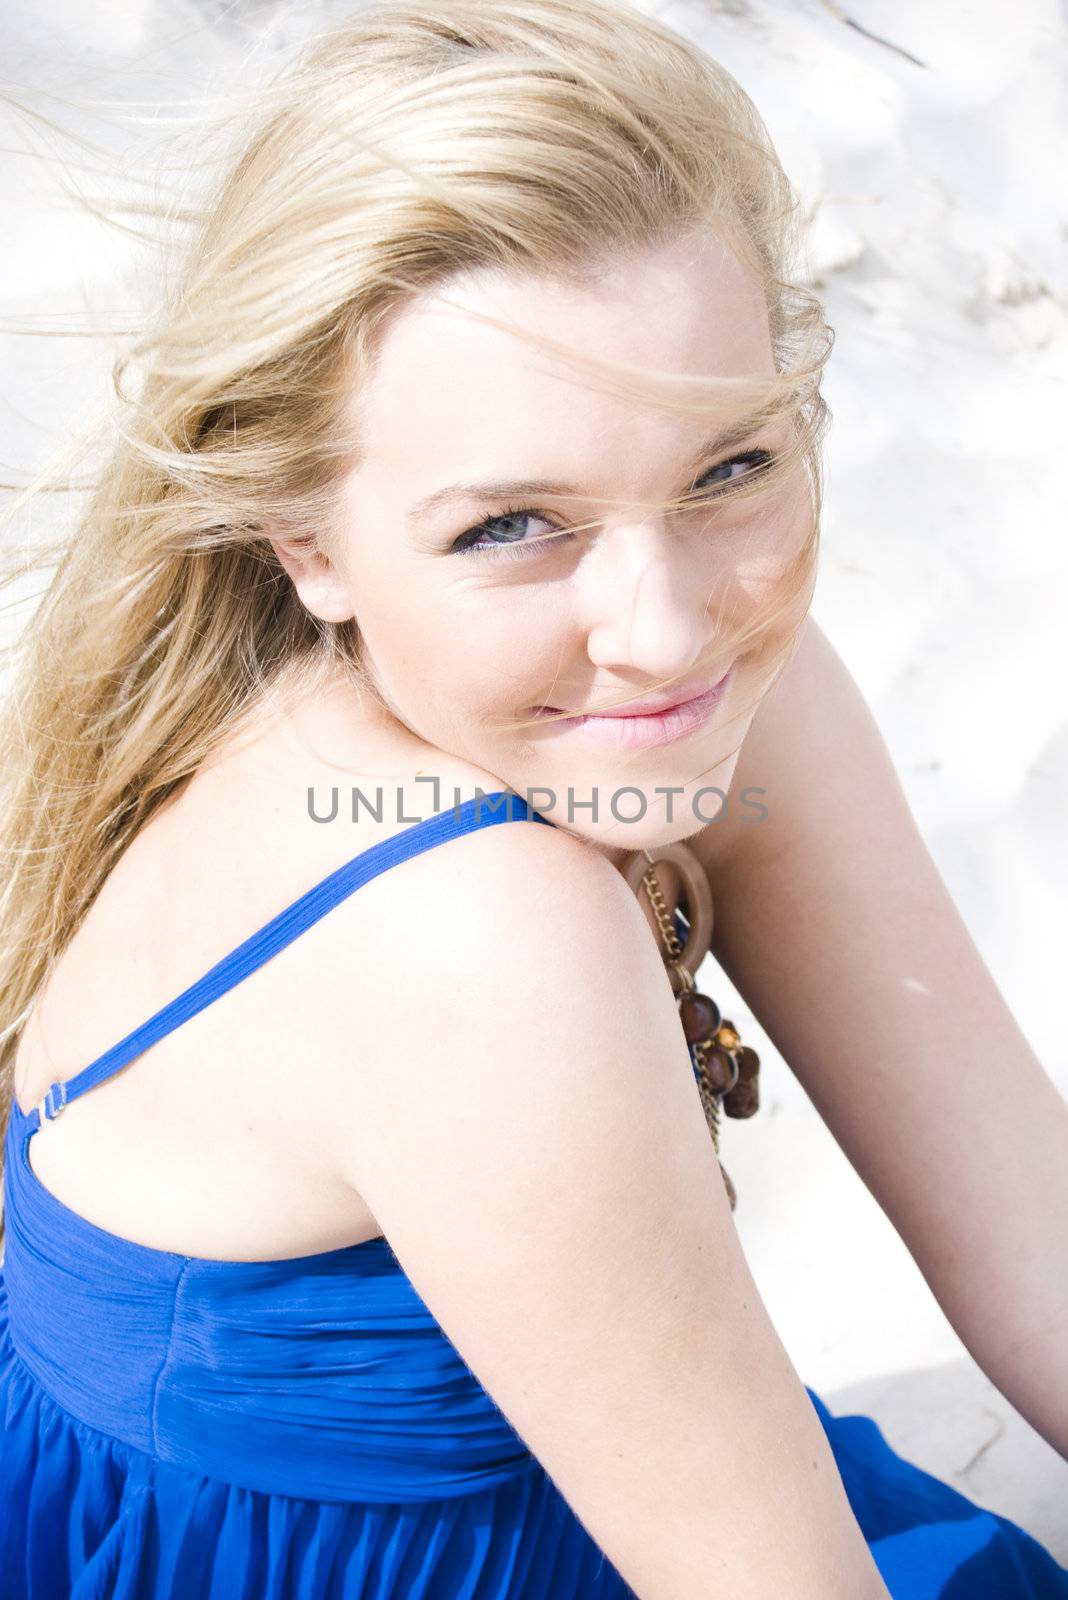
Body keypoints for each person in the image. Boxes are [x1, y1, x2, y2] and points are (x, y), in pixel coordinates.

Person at [1, 1, 1066, 1595]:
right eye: (513, 525)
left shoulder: (693, 674)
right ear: (308, 542)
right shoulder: (474, 937)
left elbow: (1032, 1232)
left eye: (729, 466)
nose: (661, 624)